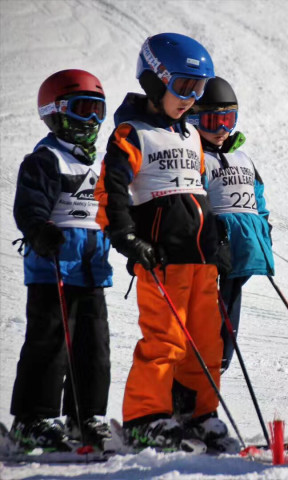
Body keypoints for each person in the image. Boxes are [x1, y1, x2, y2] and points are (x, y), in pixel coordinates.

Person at [94, 33, 237, 452]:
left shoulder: (191, 136)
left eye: (198, 89)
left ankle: (197, 413)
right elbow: (112, 189)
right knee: (165, 340)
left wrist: (217, 240)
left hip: (200, 258)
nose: (191, 98)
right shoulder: (132, 133)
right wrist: (126, 236)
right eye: (183, 87)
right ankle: (145, 416)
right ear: (155, 81)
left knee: (206, 342)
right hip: (161, 257)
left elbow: (195, 191)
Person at [10, 69, 113, 450]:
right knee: (50, 342)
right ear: (54, 113)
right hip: (52, 266)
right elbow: (30, 206)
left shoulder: (99, 163)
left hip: (91, 270)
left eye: (97, 110)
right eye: (81, 109)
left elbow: (112, 211)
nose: (91, 121)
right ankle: (32, 418)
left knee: (94, 345)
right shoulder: (45, 159)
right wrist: (40, 230)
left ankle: (84, 415)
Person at [171, 76, 274, 417]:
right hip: (210, 257)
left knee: (226, 337)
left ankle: (202, 403)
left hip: (241, 258)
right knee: (204, 335)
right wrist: (210, 235)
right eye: (214, 121)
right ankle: (184, 403)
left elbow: (257, 201)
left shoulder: (243, 158)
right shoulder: (194, 155)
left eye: (229, 120)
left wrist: (263, 228)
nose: (222, 129)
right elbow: (190, 201)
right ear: (194, 120)